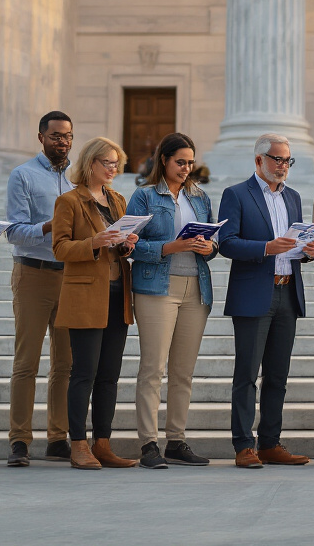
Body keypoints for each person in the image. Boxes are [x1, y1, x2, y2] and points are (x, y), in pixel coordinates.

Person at [217, 134, 314, 468]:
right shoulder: (236, 194)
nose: (283, 166)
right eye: (277, 159)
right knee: (247, 374)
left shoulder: (293, 197)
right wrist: (265, 248)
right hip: (253, 295)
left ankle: (270, 443)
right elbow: (227, 243)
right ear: (258, 160)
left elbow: (295, 246)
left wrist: (309, 252)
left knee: (278, 375)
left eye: (288, 160)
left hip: (287, 291)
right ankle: (244, 445)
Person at [127, 133, 218, 469]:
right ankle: (148, 444)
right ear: (163, 160)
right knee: (153, 368)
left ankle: (176, 440)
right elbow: (130, 245)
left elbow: (213, 242)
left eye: (190, 163)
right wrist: (171, 247)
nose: (186, 168)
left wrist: (210, 247)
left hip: (196, 287)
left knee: (184, 371)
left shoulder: (200, 196)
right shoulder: (144, 196)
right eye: (180, 162)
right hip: (156, 288)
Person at [52, 137, 139, 470]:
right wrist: (95, 242)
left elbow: (119, 246)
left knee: (109, 376)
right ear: (90, 163)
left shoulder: (117, 199)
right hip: (86, 293)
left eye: (117, 163)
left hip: (118, 292)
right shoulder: (69, 201)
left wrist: (127, 244)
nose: (114, 169)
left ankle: (103, 442)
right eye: (108, 163)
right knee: (84, 373)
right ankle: (78, 444)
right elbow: (60, 248)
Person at [4, 111, 74, 467]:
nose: (62, 142)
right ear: (41, 137)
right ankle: (19, 440)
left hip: (71, 277)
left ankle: (58, 438)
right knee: (26, 362)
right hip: (32, 274)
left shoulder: (78, 178)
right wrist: (50, 226)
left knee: (64, 363)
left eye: (67, 136)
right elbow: (13, 232)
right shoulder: (23, 175)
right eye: (56, 136)